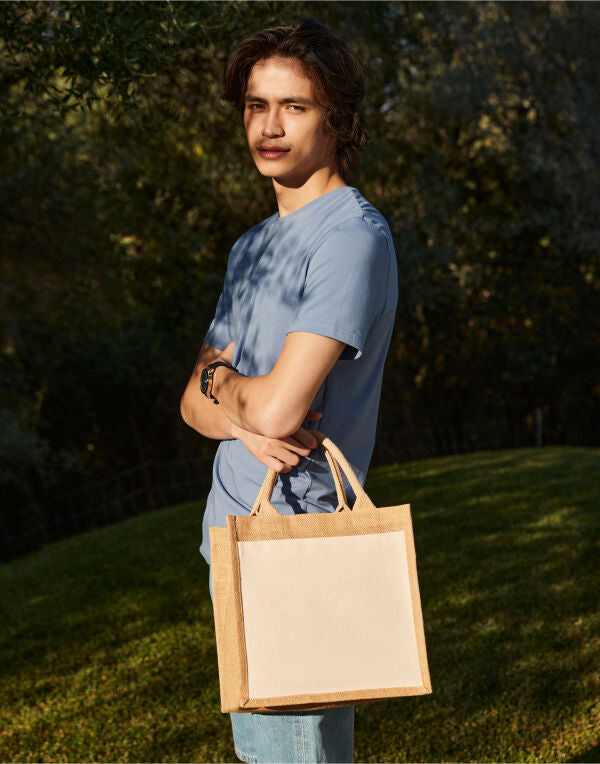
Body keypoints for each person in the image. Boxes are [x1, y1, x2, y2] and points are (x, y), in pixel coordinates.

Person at [180, 16, 398, 764]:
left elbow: (270, 404)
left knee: (295, 752)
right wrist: (240, 412)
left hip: (300, 551)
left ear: (336, 117)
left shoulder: (349, 238)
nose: (268, 127)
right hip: (232, 535)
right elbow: (194, 406)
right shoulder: (252, 247)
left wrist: (225, 386)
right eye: (255, 105)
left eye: (293, 107)